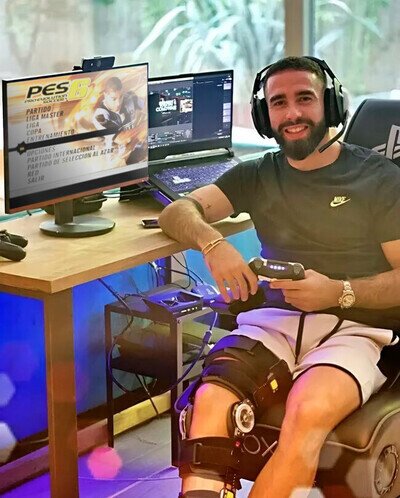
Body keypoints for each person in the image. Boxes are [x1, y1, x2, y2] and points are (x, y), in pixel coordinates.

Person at [158, 56, 400, 498]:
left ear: (330, 104)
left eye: (304, 98)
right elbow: (177, 211)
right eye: (278, 103)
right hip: (271, 325)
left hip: (356, 331)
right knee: (210, 403)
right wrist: (214, 246)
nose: (292, 114)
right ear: (264, 115)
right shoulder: (259, 174)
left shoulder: (379, 179)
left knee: (306, 412)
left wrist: (339, 292)